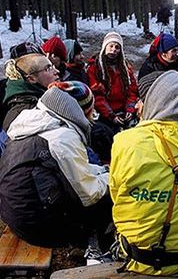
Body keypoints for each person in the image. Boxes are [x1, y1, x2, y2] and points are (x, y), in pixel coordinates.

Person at [109, 70, 178, 276]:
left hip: (138, 256)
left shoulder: (126, 140)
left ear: (157, 101)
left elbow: (117, 195)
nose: (138, 106)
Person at [0, 81, 112, 249]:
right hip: (41, 228)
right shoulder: (62, 139)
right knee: (111, 198)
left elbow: (70, 170)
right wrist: (114, 177)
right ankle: (97, 249)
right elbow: (89, 194)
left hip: (18, 216)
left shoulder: (34, 125)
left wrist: (102, 171)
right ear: (83, 111)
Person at [87, 32, 138, 163]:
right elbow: (98, 96)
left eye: (117, 47)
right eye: (111, 46)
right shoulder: (95, 67)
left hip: (124, 112)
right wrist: (111, 115)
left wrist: (130, 109)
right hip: (104, 114)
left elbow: (132, 91)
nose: (113, 50)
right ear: (105, 47)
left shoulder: (125, 68)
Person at [1, 52, 59, 131]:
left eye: (53, 66)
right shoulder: (24, 114)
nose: (57, 71)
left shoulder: (42, 98)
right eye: (48, 68)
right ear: (31, 79)